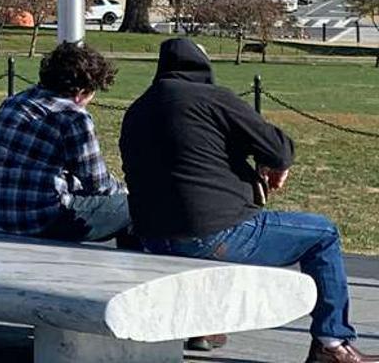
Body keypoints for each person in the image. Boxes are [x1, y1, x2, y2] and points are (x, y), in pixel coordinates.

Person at [122, 39, 368, 363]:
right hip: (210, 234)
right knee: (323, 233)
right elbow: (279, 148)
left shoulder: (138, 109)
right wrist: (274, 164)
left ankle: (203, 324)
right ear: (203, 67)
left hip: (152, 237)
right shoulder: (212, 99)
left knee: (198, 222)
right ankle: (332, 341)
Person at [0, 42, 131, 243]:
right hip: (37, 219)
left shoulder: (14, 102)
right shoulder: (73, 116)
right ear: (81, 93)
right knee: (137, 208)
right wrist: (127, 192)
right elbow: (98, 184)